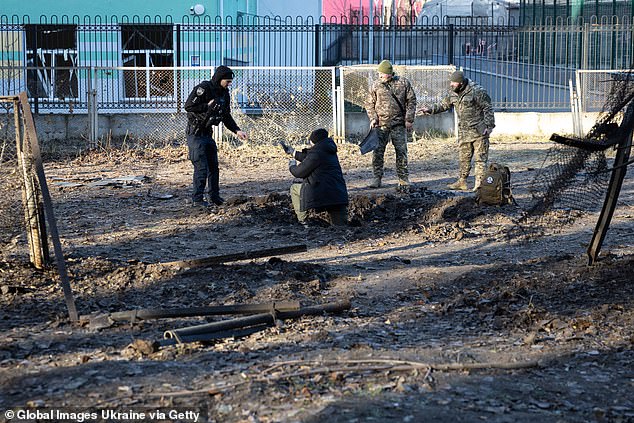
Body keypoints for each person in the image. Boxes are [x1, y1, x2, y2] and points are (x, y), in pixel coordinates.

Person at [419, 70, 495, 191]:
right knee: (464, 158)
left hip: (479, 131)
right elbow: (444, 105)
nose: (451, 84)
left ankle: (479, 185)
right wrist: (430, 110)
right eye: (451, 82)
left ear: (461, 83)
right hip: (464, 132)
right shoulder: (453, 93)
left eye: (454, 82)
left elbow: (487, 108)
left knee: (480, 159)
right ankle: (462, 182)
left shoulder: (476, 91)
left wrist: (489, 126)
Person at [184, 65, 248, 208]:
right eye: (227, 81)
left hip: (207, 133)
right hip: (195, 134)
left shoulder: (224, 93)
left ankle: (214, 196)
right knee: (201, 168)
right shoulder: (204, 88)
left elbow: (226, 115)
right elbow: (188, 106)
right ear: (219, 79)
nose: (229, 84)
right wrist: (207, 106)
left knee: (214, 167)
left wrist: (237, 130)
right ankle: (197, 200)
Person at [365, 59, 417, 193]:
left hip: (398, 125)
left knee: (401, 152)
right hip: (381, 125)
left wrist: (409, 119)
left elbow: (411, 101)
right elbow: (369, 104)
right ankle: (377, 178)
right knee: (378, 152)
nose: (380, 76)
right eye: (379, 73)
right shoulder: (376, 85)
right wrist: (373, 118)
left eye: (383, 73)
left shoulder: (403, 83)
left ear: (390, 74)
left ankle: (403, 179)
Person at [282, 128, 349, 227]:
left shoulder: (316, 153)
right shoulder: (328, 149)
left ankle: (303, 221)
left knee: (294, 189)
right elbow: (309, 158)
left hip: (322, 192)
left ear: (314, 142)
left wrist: (292, 166)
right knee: (341, 227)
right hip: (338, 194)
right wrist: (293, 152)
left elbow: (299, 172)